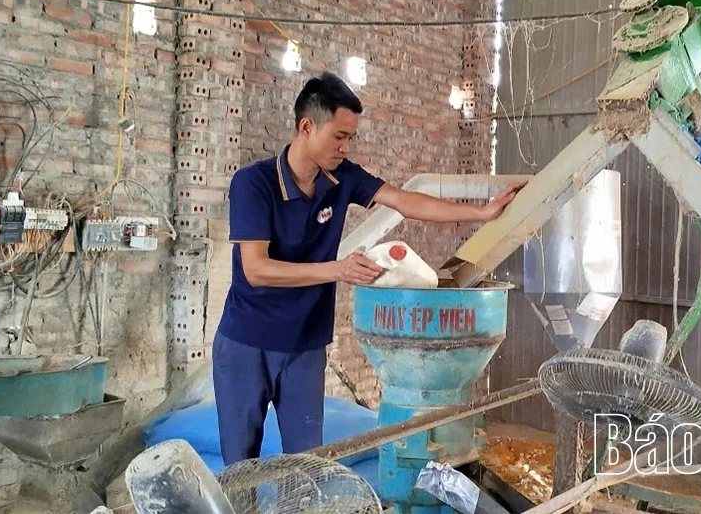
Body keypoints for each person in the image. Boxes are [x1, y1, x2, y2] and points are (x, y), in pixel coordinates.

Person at [213, 71, 525, 466]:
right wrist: (337, 270)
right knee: (239, 466)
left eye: (351, 138)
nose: (345, 147)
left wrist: (481, 213)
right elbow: (256, 270)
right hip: (247, 342)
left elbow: (406, 201)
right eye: (339, 136)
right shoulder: (253, 183)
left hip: (305, 345)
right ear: (307, 127)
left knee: (306, 463)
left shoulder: (341, 177)